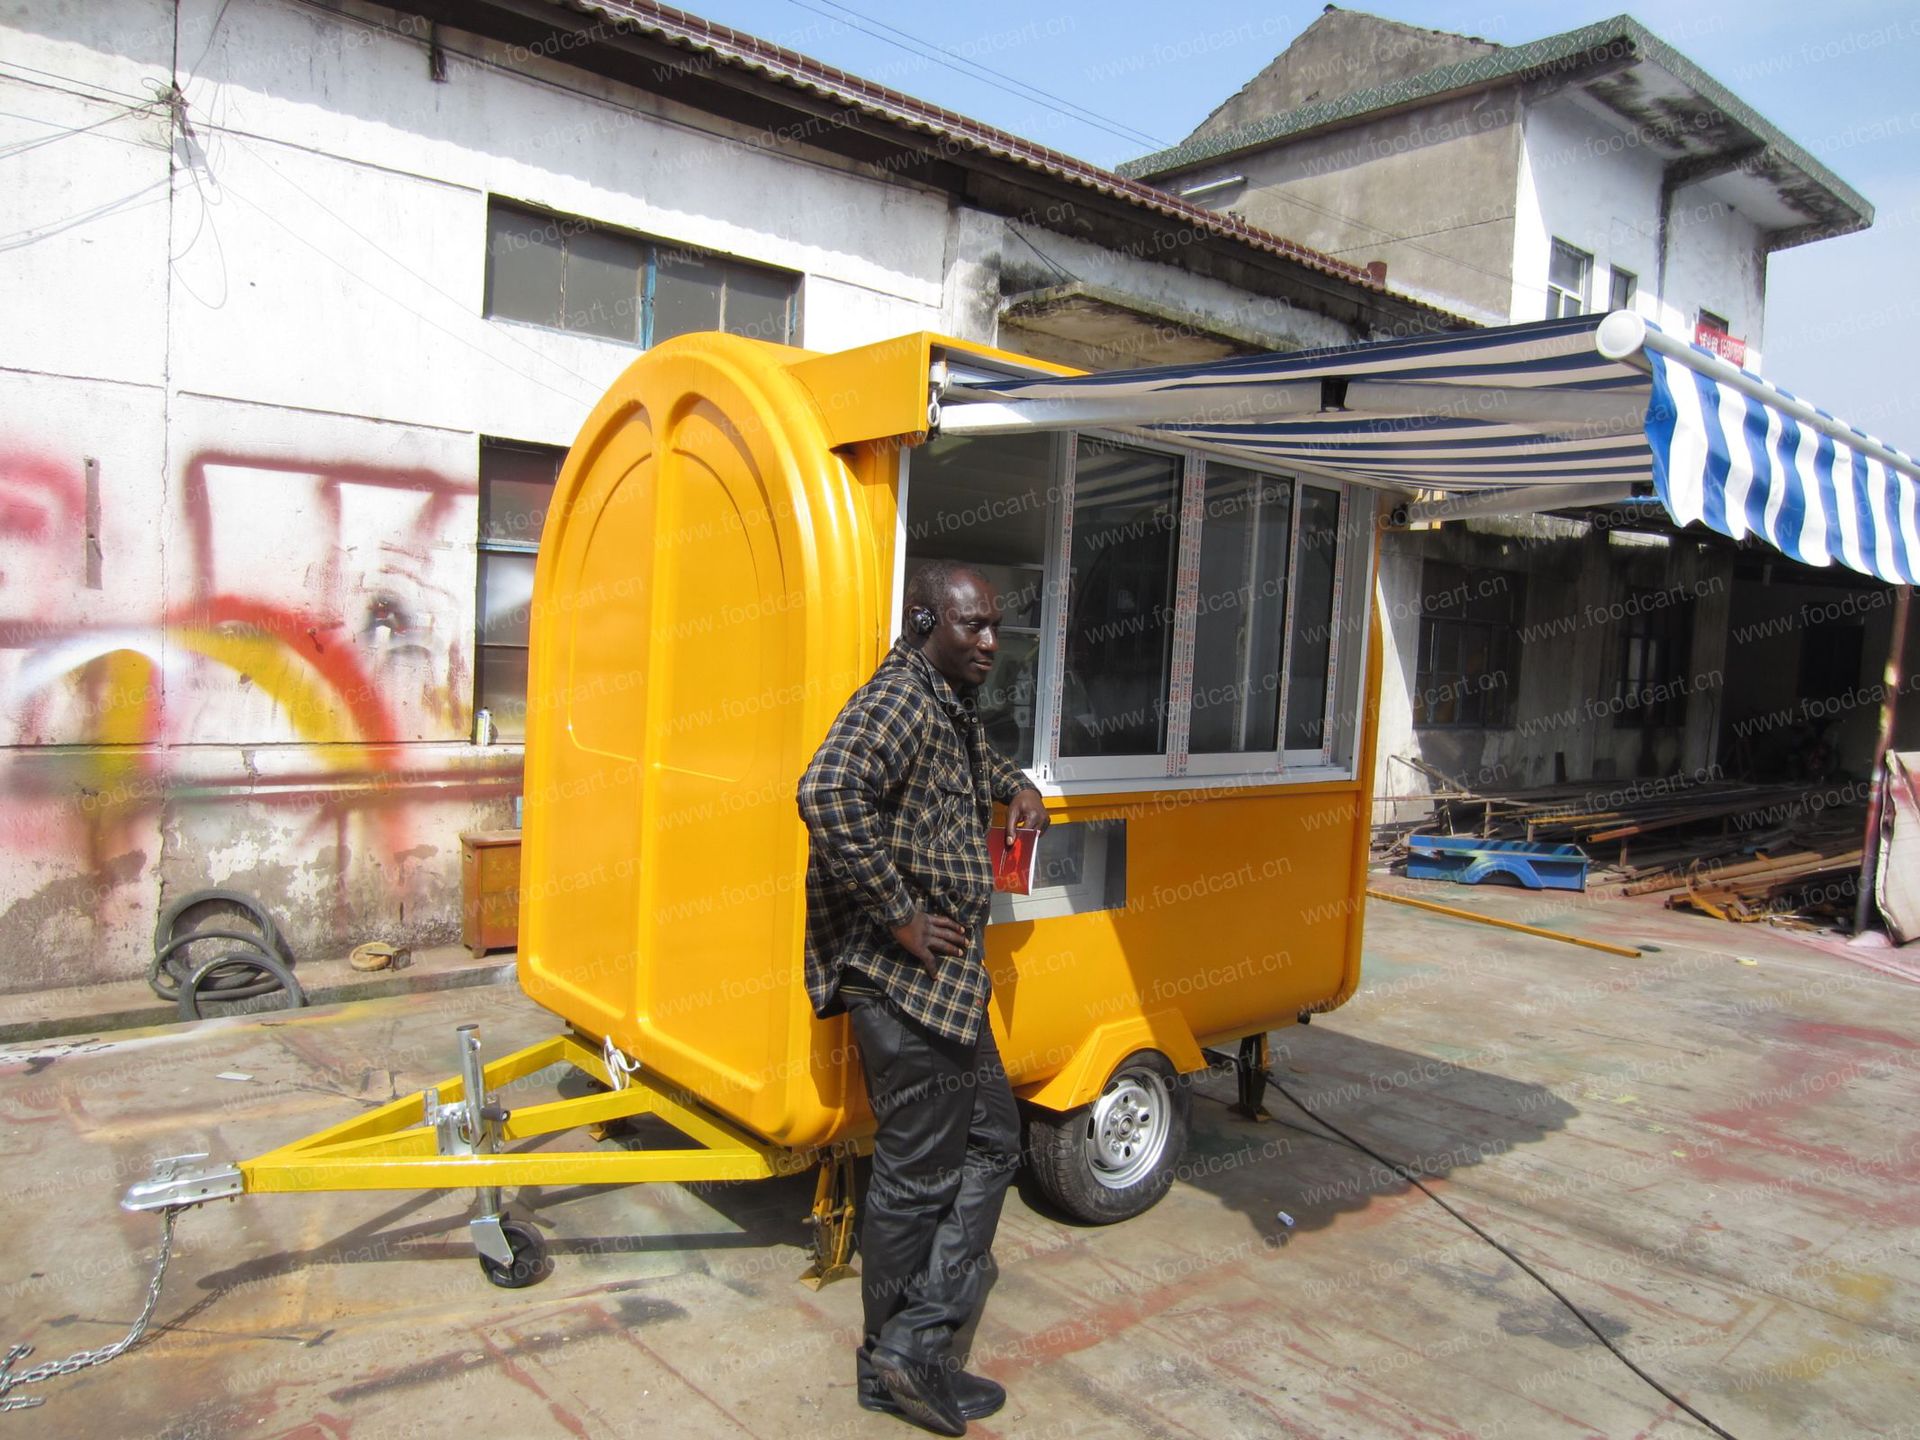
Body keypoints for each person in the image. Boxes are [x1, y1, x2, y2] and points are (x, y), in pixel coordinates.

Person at [796, 560, 1050, 1436]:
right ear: (924, 621)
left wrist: (1018, 787)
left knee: (991, 1142)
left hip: (948, 987)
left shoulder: (945, 703)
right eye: (972, 626)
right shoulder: (899, 699)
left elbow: (979, 762)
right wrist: (901, 915)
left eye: (996, 627)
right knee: (917, 1177)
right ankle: (902, 1354)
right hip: (903, 986)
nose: (990, 642)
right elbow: (825, 792)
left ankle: (906, 1354)